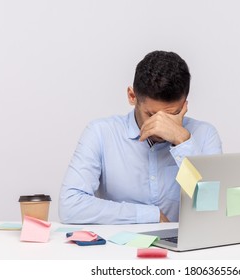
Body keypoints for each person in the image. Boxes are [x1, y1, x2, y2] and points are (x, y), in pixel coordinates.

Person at [59, 50, 222, 224]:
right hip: (116, 249)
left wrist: (183, 142)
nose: (161, 126)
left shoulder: (205, 135)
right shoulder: (100, 133)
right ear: (132, 96)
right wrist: (150, 216)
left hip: (184, 250)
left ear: (185, 104)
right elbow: (70, 205)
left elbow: (210, 208)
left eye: (173, 114)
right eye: (151, 115)